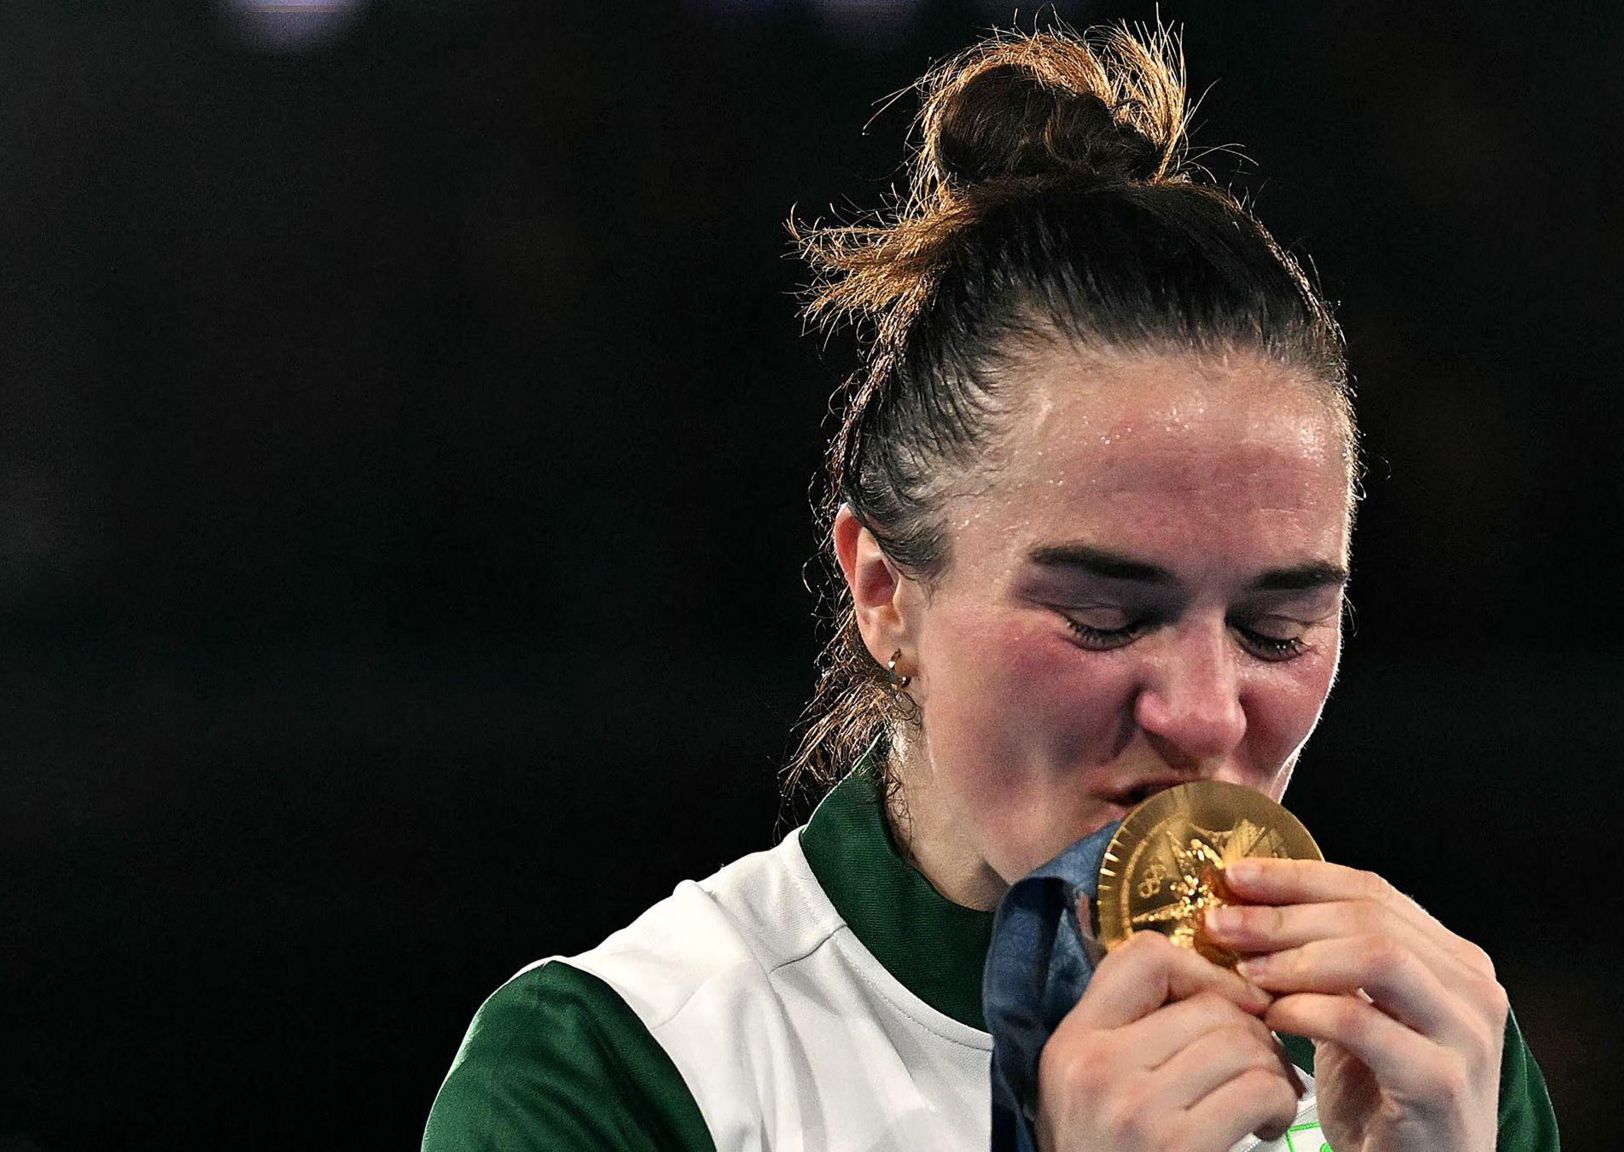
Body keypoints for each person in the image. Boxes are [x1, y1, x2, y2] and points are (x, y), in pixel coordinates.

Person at [422, 23, 1559, 1152]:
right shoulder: (620, 1072)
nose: (1208, 713)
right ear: (883, 592)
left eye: (1276, 628)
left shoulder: (1421, 1058)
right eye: (1104, 618)